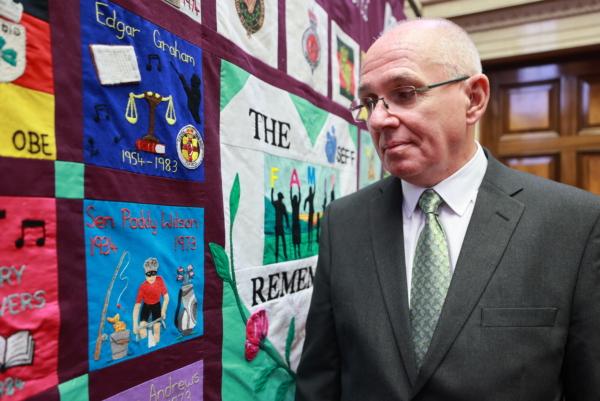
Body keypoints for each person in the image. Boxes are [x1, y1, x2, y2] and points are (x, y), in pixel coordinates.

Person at [296, 18, 600, 401]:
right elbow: (319, 380)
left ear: (473, 99)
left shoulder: (572, 223)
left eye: (404, 93)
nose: (378, 120)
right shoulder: (343, 223)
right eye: (370, 102)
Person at [132, 257, 169, 347]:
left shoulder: (160, 280)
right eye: (149, 274)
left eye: (154, 273)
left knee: (157, 328)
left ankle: (156, 346)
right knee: (142, 328)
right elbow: (137, 306)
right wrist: (135, 325)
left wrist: (163, 310)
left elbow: (166, 297)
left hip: (156, 305)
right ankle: (144, 347)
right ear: (145, 274)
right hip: (146, 306)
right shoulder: (142, 287)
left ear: (156, 272)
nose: (152, 277)